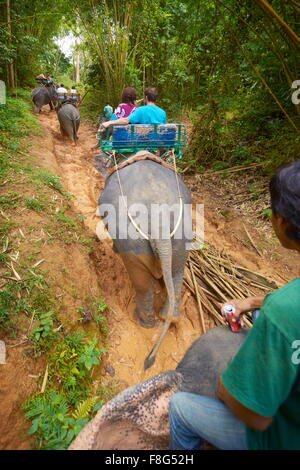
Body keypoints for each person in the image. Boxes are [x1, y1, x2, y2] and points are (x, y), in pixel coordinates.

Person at [169, 160, 300, 450]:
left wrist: (226, 389)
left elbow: (257, 417)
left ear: (282, 222)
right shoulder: (286, 304)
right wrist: (252, 302)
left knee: (179, 408)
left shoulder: (284, 311)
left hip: (283, 439)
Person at [101, 87, 166, 129]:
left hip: (144, 142)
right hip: (158, 143)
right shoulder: (163, 112)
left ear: (146, 98)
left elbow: (126, 120)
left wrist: (108, 122)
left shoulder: (140, 110)